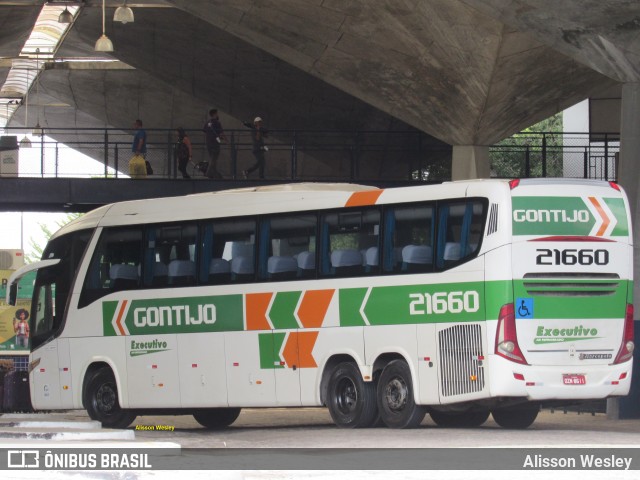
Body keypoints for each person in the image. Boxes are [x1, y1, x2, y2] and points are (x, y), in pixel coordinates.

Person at [202, 109, 227, 179]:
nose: (217, 115)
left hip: (208, 143)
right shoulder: (217, 123)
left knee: (213, 159)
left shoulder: (207, 123)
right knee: (214, 159)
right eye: (217, 113)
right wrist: (226, 141)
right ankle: (208, 173)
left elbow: (204, 131)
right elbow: (221, 133)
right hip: (215, 143)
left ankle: (216, 175)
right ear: (214, 114)